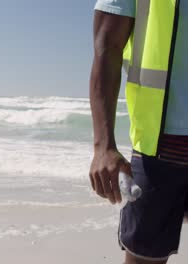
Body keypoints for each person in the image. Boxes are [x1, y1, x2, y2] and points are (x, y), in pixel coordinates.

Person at [89, 1, 188, 263]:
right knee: (145, 257)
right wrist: (103, 146)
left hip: (161, 146)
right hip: (160, 146)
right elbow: (107, 47)